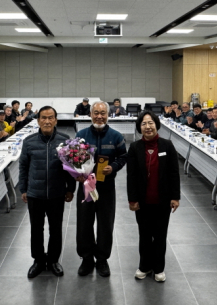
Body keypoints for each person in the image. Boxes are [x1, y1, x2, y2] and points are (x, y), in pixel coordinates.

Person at [19, 106, 76, 278]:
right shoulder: (29, 141)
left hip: (56, 193)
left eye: (51, 117)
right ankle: (38, 260)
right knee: (36, 229)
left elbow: (71, 167)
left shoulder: (65, 140)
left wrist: (70, 189)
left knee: (55, 229)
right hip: (35, 194)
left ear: (56, 120)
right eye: (43, 117)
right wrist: (23, 189)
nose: (47, 121)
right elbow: (23, 167)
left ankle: (53, 260)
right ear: (38, 121)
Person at [75, 101, 127, 277]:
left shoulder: (116, 136)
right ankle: (86, 258)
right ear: (90, 114)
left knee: (105, 223)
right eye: (96, 113)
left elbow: (123, 157)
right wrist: (77, 173)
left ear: (108, 115)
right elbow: (73, 158)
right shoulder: (81, 135)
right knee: (84, 223)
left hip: (106, 187)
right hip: (85, 187)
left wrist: (113, 167)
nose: (99, 116)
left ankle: (102, 259)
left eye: (103, 113)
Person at [127, 111, 180, 283]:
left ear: (156, 125)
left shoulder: (167, 145)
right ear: (139, 127)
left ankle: (159, 268)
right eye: (144, 124)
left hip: (162, 200)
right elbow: (131, 176)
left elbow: (174, 173)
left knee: (160, 235)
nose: (148, 127)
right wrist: (132, 199)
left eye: (151, 123)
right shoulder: (134, 147)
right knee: (144, 235)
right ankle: (144, 266)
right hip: (142, 201)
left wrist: (175, 197)